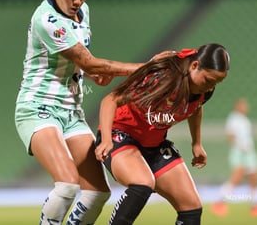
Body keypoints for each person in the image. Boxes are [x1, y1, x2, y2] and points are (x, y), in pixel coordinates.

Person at [14, 0, 167, 223]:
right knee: (68, 185)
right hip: (38, 108)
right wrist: (150, 66)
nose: (77, 1)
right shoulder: (47, 20)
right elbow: (93, 63)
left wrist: (92, 74)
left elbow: (84, 64)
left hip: (71, 112)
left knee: (97, 192)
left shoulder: (82, 11)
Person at [95, 43, 230, 225]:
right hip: (120, 135)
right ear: (194, 66)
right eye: (208, 80)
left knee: (191, 208)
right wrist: (105, 140)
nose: (210, 87)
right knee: (142, 185)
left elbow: (196, 108)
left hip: (154, 144)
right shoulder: (162, 78)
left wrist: (196, 143)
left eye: (216, 82)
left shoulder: (204, 90)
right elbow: (110, 100)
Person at [211, 98, 257, 217]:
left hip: (249, 152)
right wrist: (240, 145)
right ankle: (219, 202)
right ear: (237, 106)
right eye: (243, 105)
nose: (246, 107)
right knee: (236, 178)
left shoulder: (245, 120)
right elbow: (230, 135)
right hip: (239, 152)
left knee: (254, 177)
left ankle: (256, 206)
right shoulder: (233, 118)